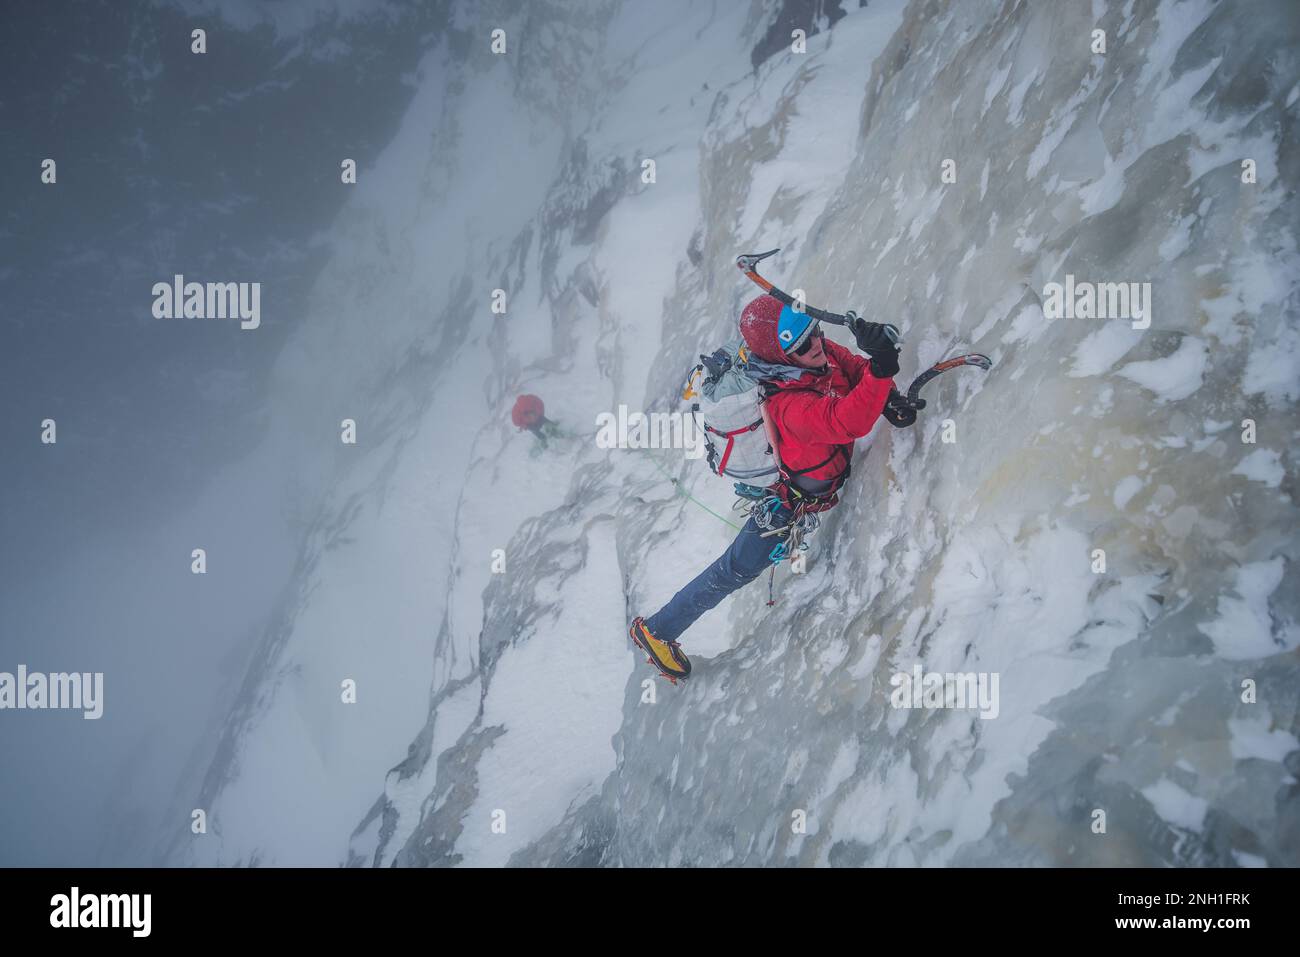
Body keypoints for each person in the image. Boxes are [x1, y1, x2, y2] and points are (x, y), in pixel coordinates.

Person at [629, 294, 900, 682]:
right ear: (783, 357)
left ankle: (659, 628)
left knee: (735, 567)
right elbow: (848, 421)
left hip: (805, 490)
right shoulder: (790, 404)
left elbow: (853, 367)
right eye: (803, 345)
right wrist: (883, 371)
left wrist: (879, 374)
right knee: (734, 569)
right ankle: (656, 631)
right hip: (788, 504)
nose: (817, 344)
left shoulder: (811, 351)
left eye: (816, 333)